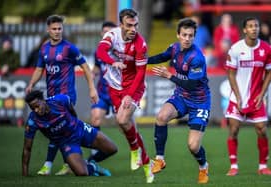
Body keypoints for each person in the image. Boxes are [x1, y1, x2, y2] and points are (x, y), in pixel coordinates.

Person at [25, 15, 98, 176]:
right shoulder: (44, 49)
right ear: (48, 30)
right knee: (59, 130)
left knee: (57, 129)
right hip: (51, 97)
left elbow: (86, 67)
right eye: (54, 29)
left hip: (67, 97)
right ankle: (68, 162)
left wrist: (92, 89)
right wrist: (31, 84)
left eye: (60, 29)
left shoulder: (69, 48)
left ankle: (48, 165)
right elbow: (39, 69)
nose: (57, 32)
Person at [148, 18, 211, 184]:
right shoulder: (174, 47)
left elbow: (191, 85)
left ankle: (203, 166)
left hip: (199, 102)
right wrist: (143, 61)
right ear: (178, 35)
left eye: (191, 35)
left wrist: (170, 75)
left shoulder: (197, 57)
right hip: (182, 96)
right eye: (184, 35)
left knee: (193, 146)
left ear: (194, 37)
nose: (187, 38)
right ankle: (160, 159)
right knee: (161, 117)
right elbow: (162, 56)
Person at [96, 8, 154, 183]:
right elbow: (100, 52)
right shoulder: (112, 36)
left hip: (133, 86)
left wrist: (129, 94)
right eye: (129, 25)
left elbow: (140, 73)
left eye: (135, 25)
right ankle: (146, 163)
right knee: (126, 125)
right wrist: (113, 62)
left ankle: (135, 149)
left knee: (122, 120)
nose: (133, 29)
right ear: (121, 24)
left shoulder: (140, 44)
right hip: (114, 86)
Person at [22, 90, 117, 177]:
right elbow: (27, 148)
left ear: (43, 100)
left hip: (80, 129)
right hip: (67, 143)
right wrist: (25, 174)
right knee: (82, 173)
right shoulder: (33, 121)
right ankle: (93, 167)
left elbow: (71, 110)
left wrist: (77, 123)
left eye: (37, 106)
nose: (36, 110)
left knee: (112, 149)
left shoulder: (60, 100)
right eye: (32, 108)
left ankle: (89, 162)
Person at [225, 17, 271, 176]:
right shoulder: (236, 49)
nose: (254, 29)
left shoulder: (266, 49)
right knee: (234, 129)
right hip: (237, 98)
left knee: (262, 130)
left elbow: (269, 72)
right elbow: (230, 74)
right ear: (244, 30)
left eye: (256, 26)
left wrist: (262, 94)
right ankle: (234, 166)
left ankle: (263, 166)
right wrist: (238, 96)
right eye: (250, 26)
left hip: (256, 98)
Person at [90, 21, 117, 156]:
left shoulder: (121, 51)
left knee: (124, 124)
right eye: (105, 31)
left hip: (119, 94)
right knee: (95, 118)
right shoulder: (98, 51)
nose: (108, 34)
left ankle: (137, 149)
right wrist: (92, 73)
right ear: (101, 33)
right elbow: (97, 66)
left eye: (111, 32)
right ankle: (96, 147)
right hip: (103, 93)